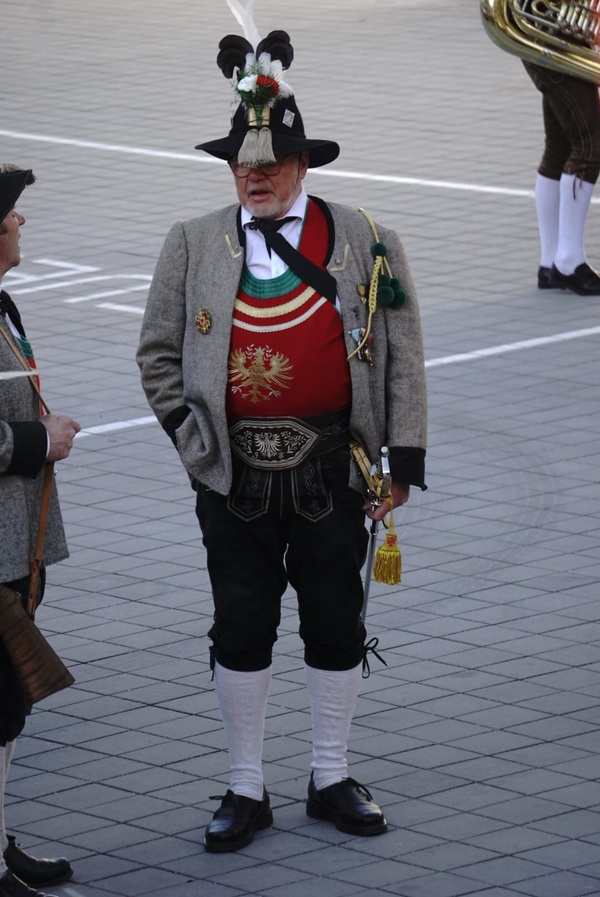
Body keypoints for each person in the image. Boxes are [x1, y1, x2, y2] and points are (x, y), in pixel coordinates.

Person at [137, 20, 427, 854]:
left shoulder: (367, 237)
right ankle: (245, 785)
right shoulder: (193, 241)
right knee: (240, 623)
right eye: (241, 165)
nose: (253, 177)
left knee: (336, 620)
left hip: (334, 467)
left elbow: (403, 355)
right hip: (231, 474)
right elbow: (156, 353)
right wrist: (194, 441)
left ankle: (330, 774)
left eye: (268, 165)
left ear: (302, 165)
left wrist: (402, 462)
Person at [0, 164, 80, 897]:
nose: (20, 222)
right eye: (10, 217)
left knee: (8, 699)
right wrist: (37, 441)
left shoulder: (2, 302)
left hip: (16, 543)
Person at [523, 60, 600, 295]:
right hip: (555, 49)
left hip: (551, 49)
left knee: (560, 147)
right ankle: (569, 262)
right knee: (589, 146)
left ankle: (551, 262)